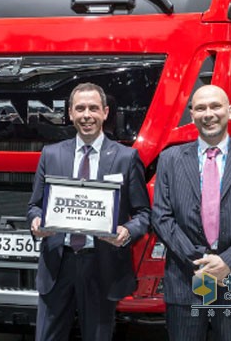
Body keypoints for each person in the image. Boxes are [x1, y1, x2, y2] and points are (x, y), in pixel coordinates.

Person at [27, 82, 150, 341]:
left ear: (105, 112)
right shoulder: (50, 155)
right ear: (70, 113)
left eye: (93, 108)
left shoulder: (126, 158)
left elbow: (143, 214)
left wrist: (126, 232)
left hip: (101, 266)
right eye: (80, 108)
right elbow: (34, 206)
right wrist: (36, 222)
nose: (86, 115)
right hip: (57, 265)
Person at [152, 85, 231, 341]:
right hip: (186, 279)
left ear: (230, 111)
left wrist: (229, 262)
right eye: (200, 108)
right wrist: (201, 262)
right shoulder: (170, 159)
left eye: (215, 106)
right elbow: (162, 217)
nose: (208, 113)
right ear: (192, 114)